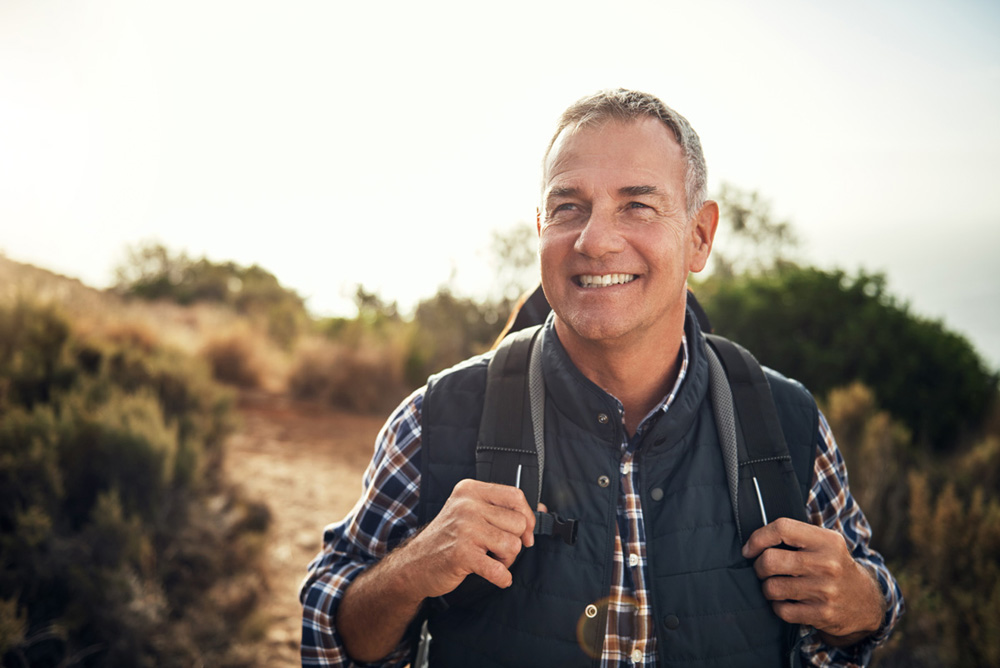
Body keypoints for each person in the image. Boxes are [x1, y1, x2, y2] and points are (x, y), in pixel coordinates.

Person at [300, 89, 903, 667]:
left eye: (636, 205)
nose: (595, 240)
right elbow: (333, 635)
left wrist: (865, 603)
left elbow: (863, 607)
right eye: (569, 208)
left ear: (699, 235)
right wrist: (411, 570)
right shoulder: (433, 419)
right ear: (541, 229)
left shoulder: (787, 420)